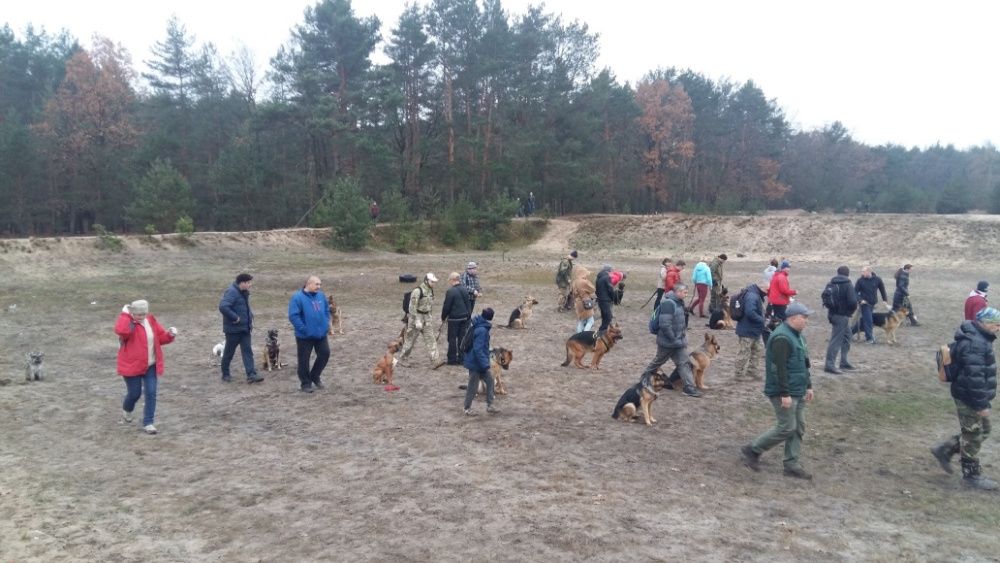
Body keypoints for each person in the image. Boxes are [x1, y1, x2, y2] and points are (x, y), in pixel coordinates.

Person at [740, 302, 815, 479]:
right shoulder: (782, 338)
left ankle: (791, 464)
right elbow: (778, 369)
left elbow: (804, 363)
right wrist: (785, 394)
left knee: (798, 427)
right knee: (787, 427)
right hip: (784, 391)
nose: (806, 321)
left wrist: (809, 385)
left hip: (798, 388)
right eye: (804, 317)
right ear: (793, 318)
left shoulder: (798, 336)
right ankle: (753, 449)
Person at [930, 307, 1000, 490]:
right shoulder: (975, 344)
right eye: (996, 324)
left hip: (971, 395)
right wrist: (981, 404)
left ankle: (945, 449)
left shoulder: (979, 338)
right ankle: (971, 476)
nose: (998, 327)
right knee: (975, 435)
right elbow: (973, 378)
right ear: (984, 323)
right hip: (969, 397)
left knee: (983, 430)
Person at [115, 299, 177, 434]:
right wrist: (124, 315)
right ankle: (127, 409)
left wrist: (170, 335)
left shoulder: (150, 320)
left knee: (151, 393)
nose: (141, 317)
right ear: (132, 313)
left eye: (143, 314)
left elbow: (160, 338)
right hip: (132, 366)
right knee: (134, 393)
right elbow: (121, 331)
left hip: (150, 365)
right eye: (137, 314)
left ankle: (148, 422)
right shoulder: (128, 323)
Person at [640, 283, 703, 398]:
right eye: (684, 292)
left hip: (678, 342)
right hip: (668, 342)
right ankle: (644, 379)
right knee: (658, 362)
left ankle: (689, 387)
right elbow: (664, 324)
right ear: (677, 292)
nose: (686, 294)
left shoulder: (678, 302)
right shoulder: (668, 303)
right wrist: (673, 338)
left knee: (684, 363)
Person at [287, 275, 331, 393]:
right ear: (308, 284)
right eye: (316, 284)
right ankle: (305, 383)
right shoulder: (297, 298)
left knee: (325, 354)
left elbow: (327, 310)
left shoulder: (321, 296)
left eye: (320, 284)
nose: (319, 287)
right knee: (304, 360)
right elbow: (293, 316)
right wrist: (304, 329)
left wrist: (326, 323)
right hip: (304, 336)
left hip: (321, 333)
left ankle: (315, 376)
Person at [218, 273, 264, 384]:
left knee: (248, 351)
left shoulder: (243, 292)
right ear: (242, 283)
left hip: (245, 329)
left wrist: (250, 316)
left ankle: (251, 374)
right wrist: (235, 318)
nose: (250, 285)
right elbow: (223, 306)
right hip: (233, 330)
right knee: (229, 352)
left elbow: (243, 307)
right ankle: (225, 374)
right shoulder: (232, 292)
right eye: (248, 283)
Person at [399, 272, 445, 369]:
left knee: (431, 339)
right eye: (432, 281)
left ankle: (435, 360)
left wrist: (429, 316)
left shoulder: (430, 290)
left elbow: (429, 305)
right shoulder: (417, 291)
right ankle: (403, 358)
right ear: (426, 280)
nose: (434, 283)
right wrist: (416, 320)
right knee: (410, 340)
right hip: (416, 318)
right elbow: (412, 307)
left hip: (426, 318)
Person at [463, 308, 500, 416]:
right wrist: (485, 364)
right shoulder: (482, 330)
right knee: (472, 387)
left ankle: (490, 405)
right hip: (476, 364)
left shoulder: (478, 325)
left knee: (490, 381)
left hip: (477, 361)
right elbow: (478, 349)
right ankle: (467, 408)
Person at [823, 266, 858, 374]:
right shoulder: (848, 284)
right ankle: (829, 365)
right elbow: (853, 302)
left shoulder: (831, 283)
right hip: (842, 316)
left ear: (838, 273)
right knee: (836, 340)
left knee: (848, 335)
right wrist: (849, 312)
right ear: (848, 274)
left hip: (833, 314)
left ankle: (843, 362)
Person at [734, 281, 768, 380]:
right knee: (744, 352)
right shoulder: (752, 296)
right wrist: (762, 320)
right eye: (767, 290)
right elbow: (750, 312)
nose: (768, 293)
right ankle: (738, 374)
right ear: (762, 288)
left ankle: (752, 371)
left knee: (757, 350)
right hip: (747, 330)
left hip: (754, 330)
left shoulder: (755, 294)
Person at [441, 272, 473, 365]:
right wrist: (468, 316)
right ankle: (462, 358)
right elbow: (468, 304)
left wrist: (443, 317)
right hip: (464, 318)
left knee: (452, 339)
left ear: (452, 280)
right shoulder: (465, 289)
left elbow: (446, 306)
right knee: (462, 338)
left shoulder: (450, 291)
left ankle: (452, 359)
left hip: (454, 319)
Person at [853, 266, 889, 344]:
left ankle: (848, 333)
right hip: (864, 304)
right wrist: (860, 300)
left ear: (869, 272)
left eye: (863, 271)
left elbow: (882, 289)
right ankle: (869, 338)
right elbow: (854, 292)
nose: (862, 273)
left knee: (864, 321)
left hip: (872, 303)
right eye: (862, 271)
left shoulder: (877, 279)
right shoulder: (860, 281)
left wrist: (885, 300)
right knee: (868, 321)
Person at [596, 265, 615, 331]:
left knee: (604, 316)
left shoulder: (599, 276)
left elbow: (597, 288)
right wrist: (613, 297)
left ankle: (603, 330)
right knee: (608, 317)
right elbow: (610, 289)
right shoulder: (607, 277)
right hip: (606, 299)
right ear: (609, 270)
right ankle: (602, 330)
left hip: (600, 299)